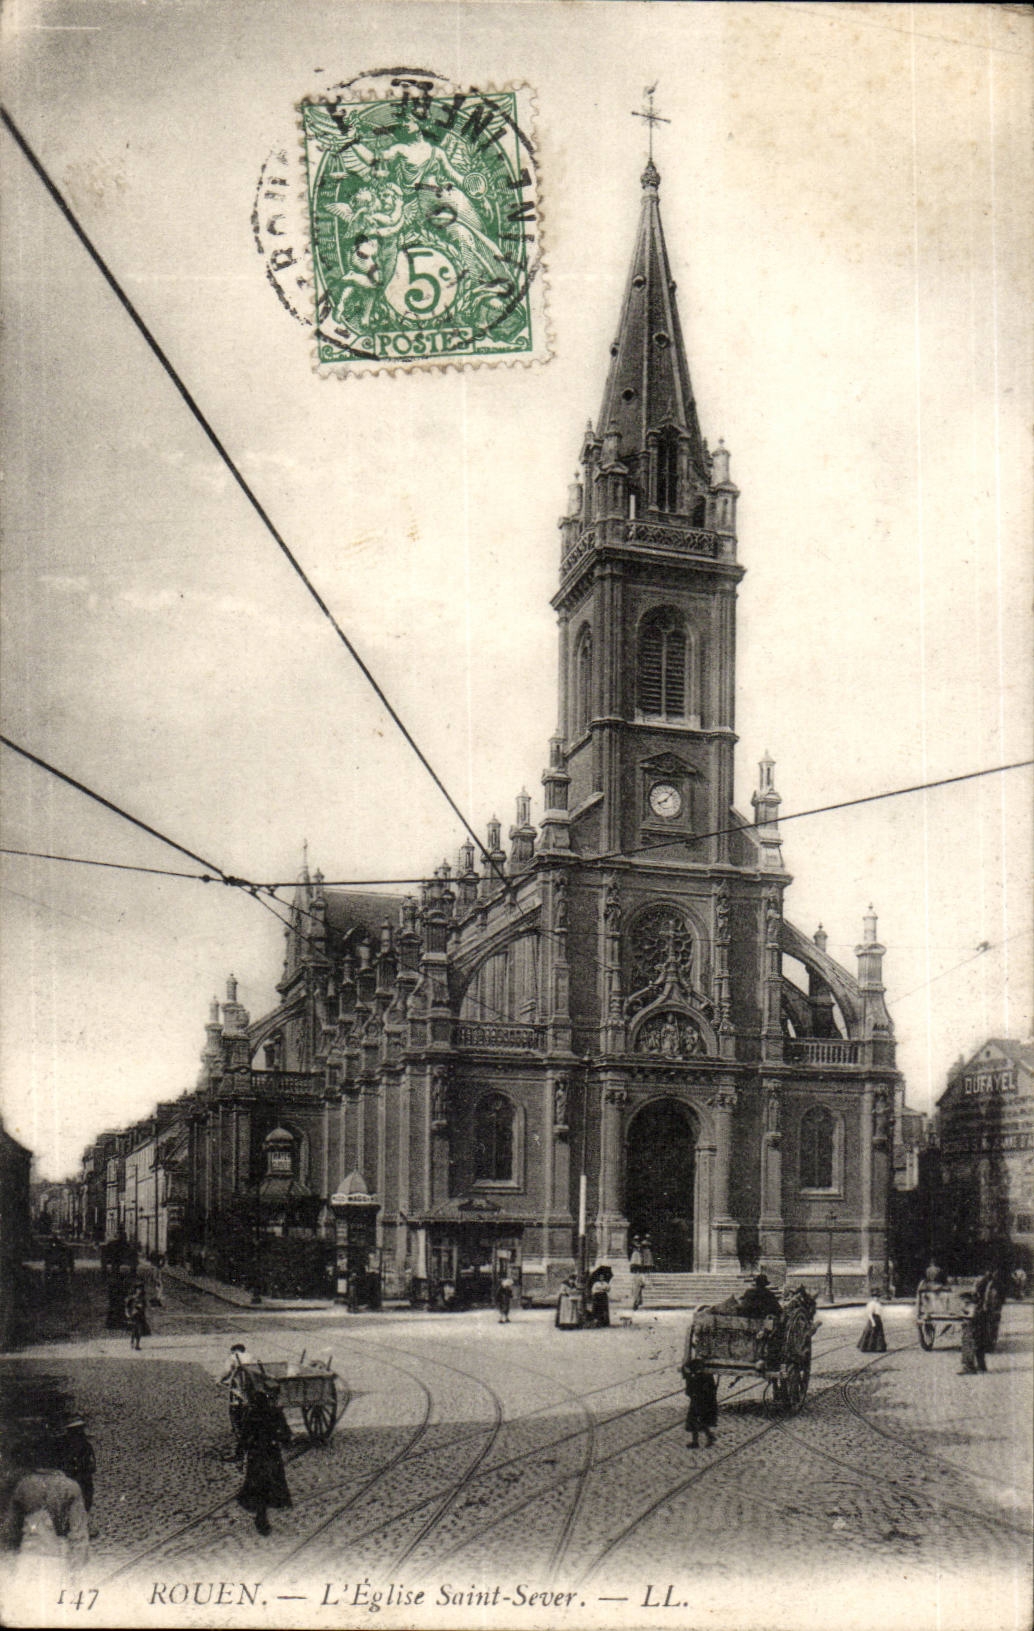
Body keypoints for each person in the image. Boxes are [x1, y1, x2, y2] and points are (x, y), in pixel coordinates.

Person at [235, 1386, 292, 1536]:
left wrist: (240, 1457)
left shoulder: (251, 1415)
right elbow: (287, 1435)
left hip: (256, 1455)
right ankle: (262, 1515)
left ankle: (261, 1514)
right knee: (270, 1482)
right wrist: (279, 1440)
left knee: (257, 1484)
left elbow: (243, 1438)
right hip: (271, 1454)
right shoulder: (275, 1414)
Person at [681, 1360, 718, 1449]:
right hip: (697, 1400)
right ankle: (703, 1439)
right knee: (695, 1420)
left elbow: (707, 1390)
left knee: (698, 1420)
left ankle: (706, 1438)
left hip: (703, 1401)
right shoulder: (696, 1375)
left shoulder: (701, 1377)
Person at [125, 1281, 149, 1350]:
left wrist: (142, 1309)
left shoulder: (143, 1299)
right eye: (138, 1289)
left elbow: (145, 1307)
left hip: (140, 1315)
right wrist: (127, 1313)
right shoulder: (132, 1298)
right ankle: (132, 1341)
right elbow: (127, 1306)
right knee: (134, 1330)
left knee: (140, 1330)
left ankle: (137, 1344)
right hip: (133, 1315)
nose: (140, 1291)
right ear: (135, 1289)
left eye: (141, 1289)